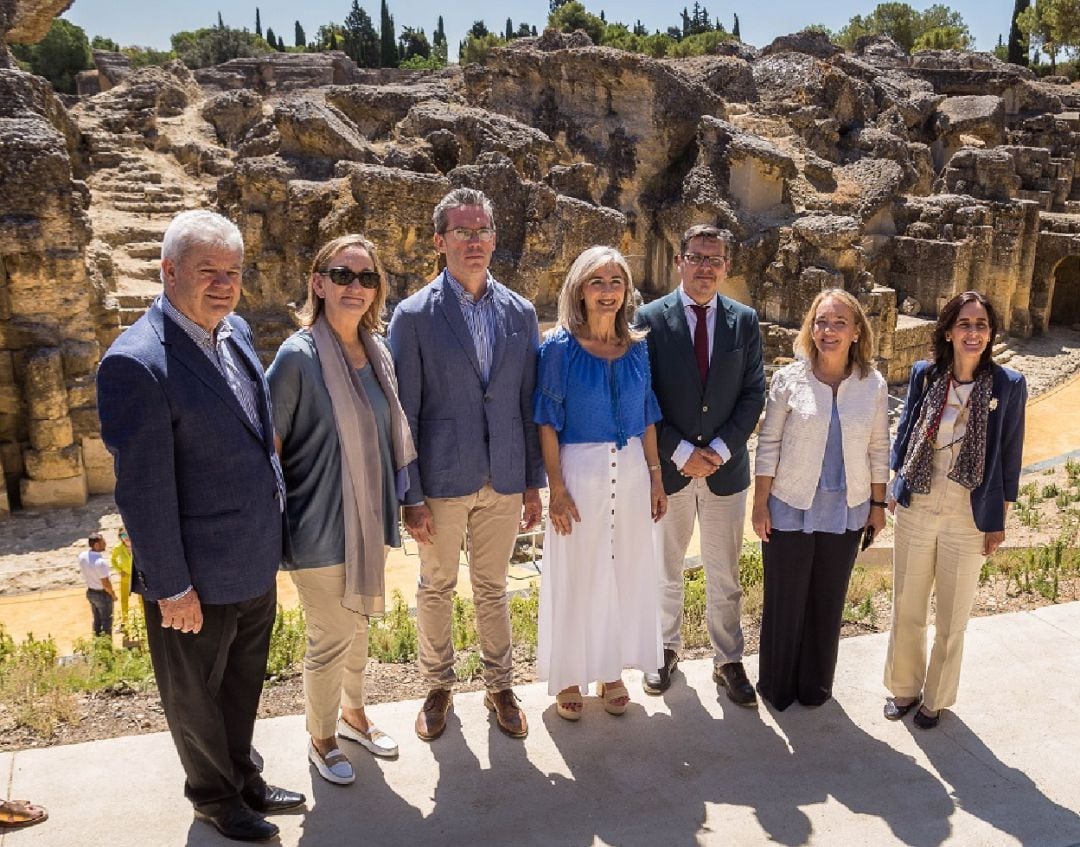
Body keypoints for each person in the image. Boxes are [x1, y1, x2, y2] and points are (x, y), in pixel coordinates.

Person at [96, 209, 305, 842]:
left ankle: (243, 776)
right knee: (195, 695)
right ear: (167, 271)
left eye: (233, 271)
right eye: (207, 270)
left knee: (243, 682)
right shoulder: (136, 362)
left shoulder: (235, 330)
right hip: (195, 573)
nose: (224, 283)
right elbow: (143, 490)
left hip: (250, 554)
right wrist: (170, 585)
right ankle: (214, 797)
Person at [388, 187, 545, 741]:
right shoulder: (412, 317)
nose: (474, 241)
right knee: (435, 586)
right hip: (440, 485)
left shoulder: (521, 314)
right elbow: (403, 412)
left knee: (493, 587)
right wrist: (409, 494)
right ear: (440, 241)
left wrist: (532, 484)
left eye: (482, 231)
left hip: (503, 479)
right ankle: (437, 687)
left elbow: (527, 404)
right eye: (462, 231)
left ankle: (500, 687)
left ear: (495, 239)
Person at [267, 234, 415, 785]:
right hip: (316, 523)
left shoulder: (377, 353)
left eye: (367, 277)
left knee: (357, 628)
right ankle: (322, 737)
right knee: (330, 635)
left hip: (367, 519)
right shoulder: (298, 357)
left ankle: (353, 716)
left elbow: (385, 437)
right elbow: (270, 448)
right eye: (343, 274)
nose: (356, 286)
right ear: (318, 283)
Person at [634, 225, 766, 705]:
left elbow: (754, 392)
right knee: (665, 568)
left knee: (724, 572)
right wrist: (680, 452)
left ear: (726, 266)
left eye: (714, 259)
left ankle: (727, 659)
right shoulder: (648, 319)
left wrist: (722, 450)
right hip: (669, 472)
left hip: (725, 473)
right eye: (697, 257)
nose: (705, 267)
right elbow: (642, 396)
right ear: (679, 262)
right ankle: (664, 649)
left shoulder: (744, 321)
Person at [534, 246, 666, 720]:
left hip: (631, 470)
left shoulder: (639, 347)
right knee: (577, 569)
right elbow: (547, 420)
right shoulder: (558, 348)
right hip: (580, 471)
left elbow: (648, 414)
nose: (607, 292)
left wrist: (655, 476)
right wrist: (556, 487)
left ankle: (610, 672)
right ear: (580, 290)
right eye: (597, 282)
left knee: (622, 570)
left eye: (616, 282)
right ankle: (569, 673)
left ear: (627, 291)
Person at [884, 290, 1026, 729]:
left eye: (981, 324)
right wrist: (894, 482)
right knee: (906, 602)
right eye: (965, 323)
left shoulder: (1009, 384)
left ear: (990, 333)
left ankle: (936, 698)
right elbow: (906, 431)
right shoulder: (925, 375)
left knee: (953, 613)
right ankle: (904, 687)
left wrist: (997, 521)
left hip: (969, 512)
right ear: (948, 330)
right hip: (919, 504)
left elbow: (1009, 454)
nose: (973, 332)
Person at [752, 288, 889, 711]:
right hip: (790, 503)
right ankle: (777, 686)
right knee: (785, 598)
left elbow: (879, 447)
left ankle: (815, 687)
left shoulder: (872, 384)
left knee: (827, 599)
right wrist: (760, 504)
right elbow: (768, 442)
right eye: (821, 322)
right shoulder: (789, 379)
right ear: (811, 329)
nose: (828, 331)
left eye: (839, 323)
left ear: (856, 332)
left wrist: (879, 506)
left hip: (847, 506)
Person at [78, 532, 115, 638]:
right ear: (96, 545)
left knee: (97, 620)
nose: (105, 544)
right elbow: (106, 583)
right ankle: (107, 646)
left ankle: (97, 643)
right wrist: (113, 594)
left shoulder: (82, 556)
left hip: (91, 592)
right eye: (103, 542)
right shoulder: (100, 562)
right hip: (102, 594)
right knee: (107, 622)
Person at [111, 526, 133, 632]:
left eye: (128, 534)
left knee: (143, 600)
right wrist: (119, 570)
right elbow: (113, 560)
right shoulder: (118, 547)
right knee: (124, 600)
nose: (126, 537)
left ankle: (145, 620)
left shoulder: (136, 545)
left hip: (137, 577)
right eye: (123, 535)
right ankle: (125, 622)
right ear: (120, 537)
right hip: (125, 577)